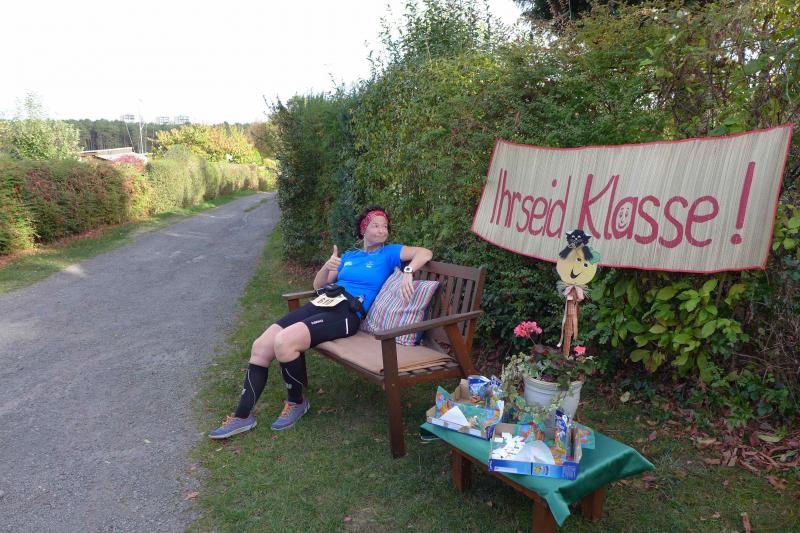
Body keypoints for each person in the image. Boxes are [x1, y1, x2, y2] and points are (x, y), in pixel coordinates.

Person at [209, 205, 433, 438]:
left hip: (346, 313)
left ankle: (296, 402)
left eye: (385, 226)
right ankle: (241, 416)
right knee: (261, 345)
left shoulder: (389, 253)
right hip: (321, 303)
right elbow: (318, 286)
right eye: (375, 225)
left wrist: (408, 271)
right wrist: (327, 267)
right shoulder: (350, 256)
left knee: (284, 342)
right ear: (363, 229)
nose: (382, 230)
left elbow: (424, 253)